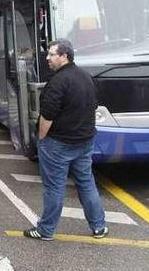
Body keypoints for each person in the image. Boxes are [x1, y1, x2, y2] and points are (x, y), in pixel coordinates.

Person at [24, 39, 107, 241]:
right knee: (86, 183)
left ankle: (46, 230)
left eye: (52, 54)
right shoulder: (86, 77)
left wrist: (42, 139)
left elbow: (48, 115)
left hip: (58, 144)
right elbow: (93, 106)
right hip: (84, 141)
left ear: (64, 56)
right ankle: (99, 226)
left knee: (54, 187)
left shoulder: (57, 82)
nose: (47, 58)